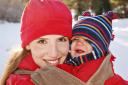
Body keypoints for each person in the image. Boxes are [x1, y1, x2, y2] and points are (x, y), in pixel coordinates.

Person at [0, 0, 73, 85]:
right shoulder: (24, 82)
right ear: (27, 44)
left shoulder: (73, 66)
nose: (54, 53)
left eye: (61, 40)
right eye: (42, 41)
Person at [65, 11, 128, 85]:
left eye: (87, 40)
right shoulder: (65, 65)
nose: (79, 43)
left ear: (99, 47)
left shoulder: (105, 75)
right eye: (75, 39)